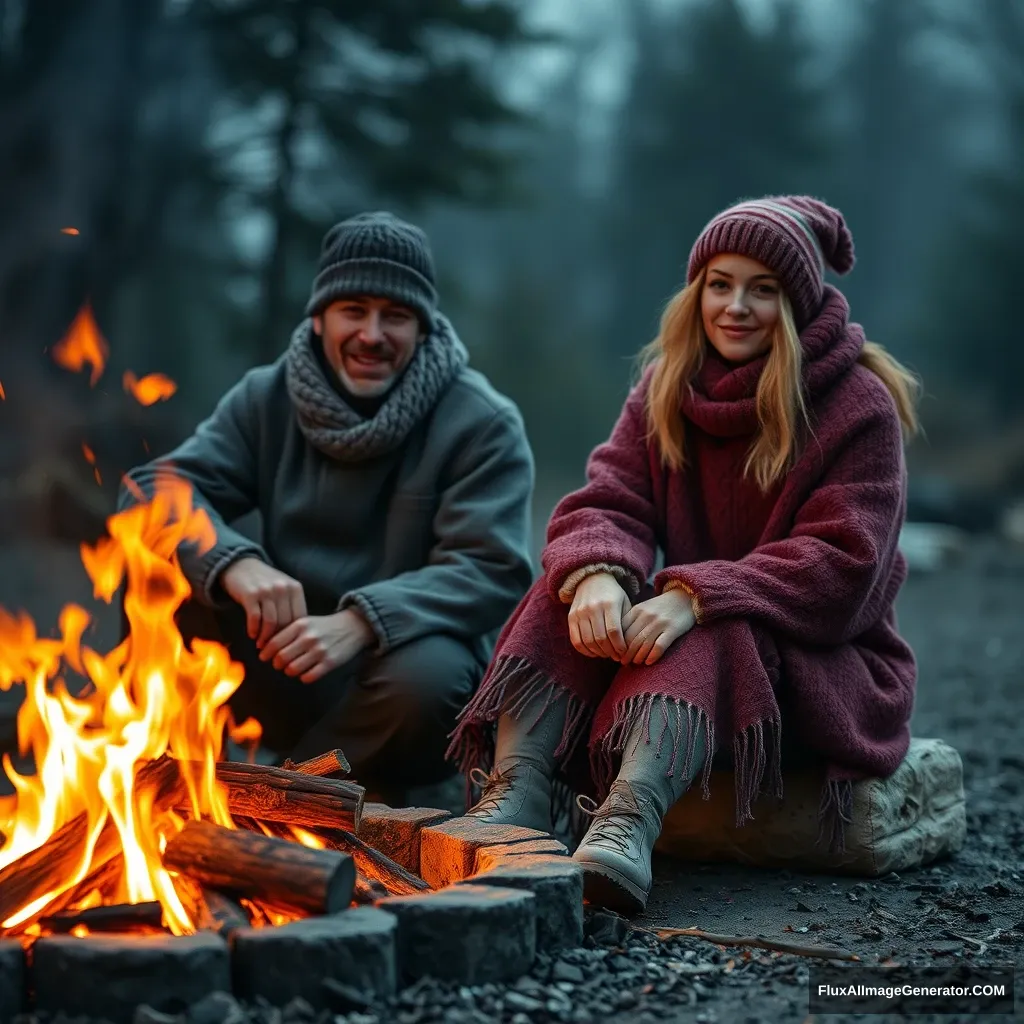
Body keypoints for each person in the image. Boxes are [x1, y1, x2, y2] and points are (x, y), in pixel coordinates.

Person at [447, 195, 921, 914]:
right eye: (720, 284)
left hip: (822, 669)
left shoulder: (858, 404)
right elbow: (611, 499)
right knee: (564, 586)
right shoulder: (667, 384)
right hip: (689, 665)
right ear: (697, 291)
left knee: (720, 623)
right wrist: (599, 574)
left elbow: (843, 566)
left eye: (764, 290)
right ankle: (518, 790)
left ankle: (627, 819)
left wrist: (694, 595)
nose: (736, 307)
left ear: (798, 302)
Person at [120, 211, 535, 806]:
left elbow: (490, 568)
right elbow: (149, 492)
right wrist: (235, 563)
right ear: (319, 318)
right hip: (278, 654)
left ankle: (279, 797)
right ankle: (169, 783)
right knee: (157, 568)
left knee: (432, 676)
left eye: (395, 316)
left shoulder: (481, 422)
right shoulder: (266, 396)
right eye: (353, 310)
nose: (372, 334)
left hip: (391, 684)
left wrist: (360, 622)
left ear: (423, 327)